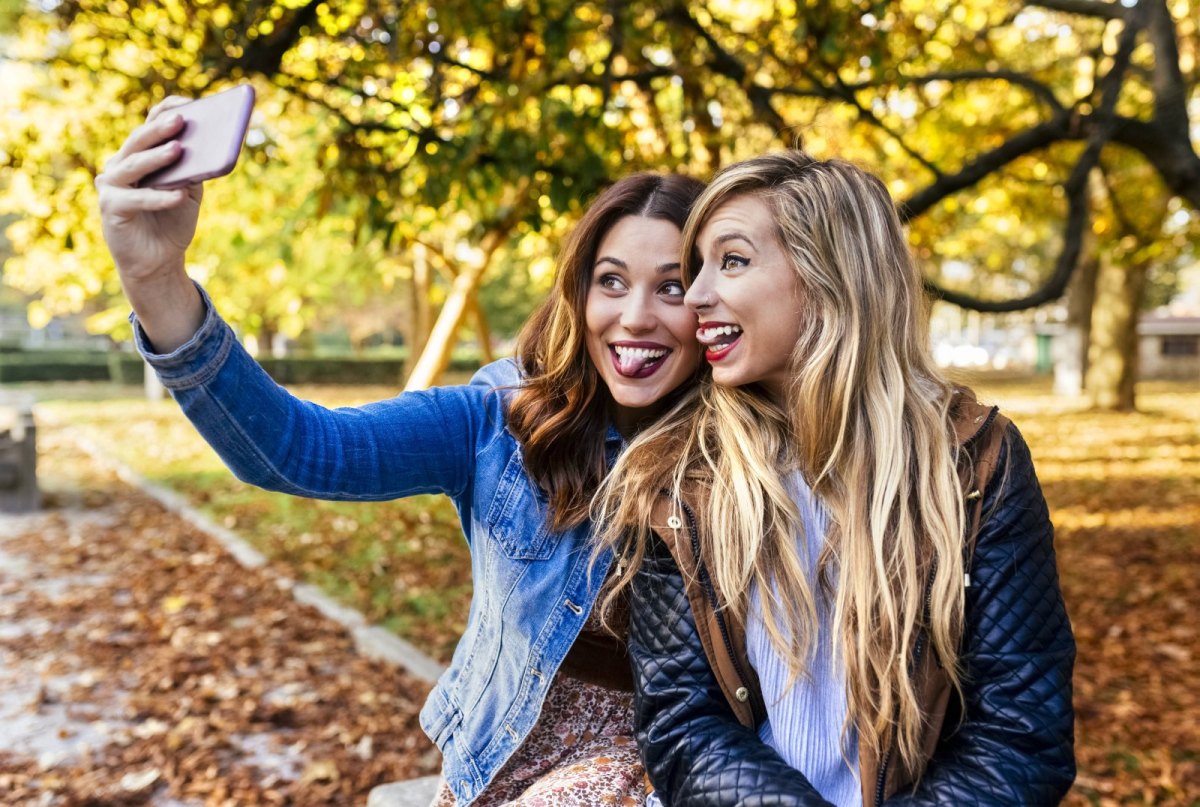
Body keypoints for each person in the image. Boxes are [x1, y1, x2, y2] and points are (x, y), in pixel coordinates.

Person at [95, 97, 706, 806]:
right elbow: (297, 448)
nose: (636, 315)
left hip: (659, 759)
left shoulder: (751, 451)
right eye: (611, 281)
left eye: (673, 286)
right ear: (579, 292)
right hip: (503, 746)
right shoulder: (501, 422)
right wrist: (155, 281)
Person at [594, 151, 1076, 806]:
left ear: (829, 276)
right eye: (698, 267)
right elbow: (682, 725)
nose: (698, 295)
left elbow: (1023, 733)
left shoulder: (974, 459)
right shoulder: (678, 480)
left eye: (731, 261)